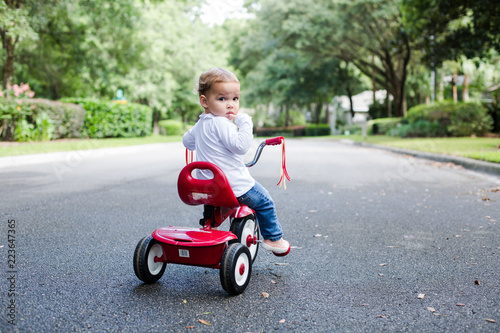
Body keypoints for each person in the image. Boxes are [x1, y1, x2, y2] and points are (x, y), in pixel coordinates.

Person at [182, 67, 290, 255]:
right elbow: (240, 147)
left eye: (235, 98)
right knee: (265, 202)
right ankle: (273, 239)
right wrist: (245, 123)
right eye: (222, 99)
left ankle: (210, 227)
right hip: (233, 185)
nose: (231, 104)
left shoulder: (201, 124)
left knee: (216, 198)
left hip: (206, 186)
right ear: (204, 101)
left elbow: (187, 142)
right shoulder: (222, 123)